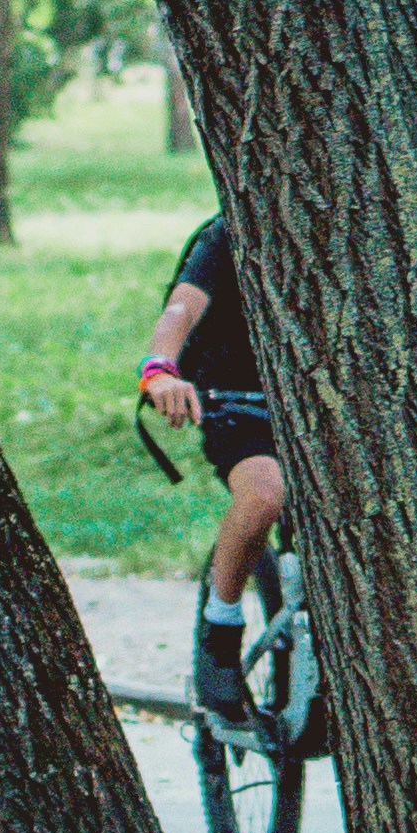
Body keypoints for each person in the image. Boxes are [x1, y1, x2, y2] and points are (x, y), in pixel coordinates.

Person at [136, 211, 289, 720]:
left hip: (324, 405)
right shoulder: (227, 233)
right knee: (265, 494)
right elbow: (181, 309)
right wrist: (159, 370)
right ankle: (219, 634)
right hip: (236, 398)